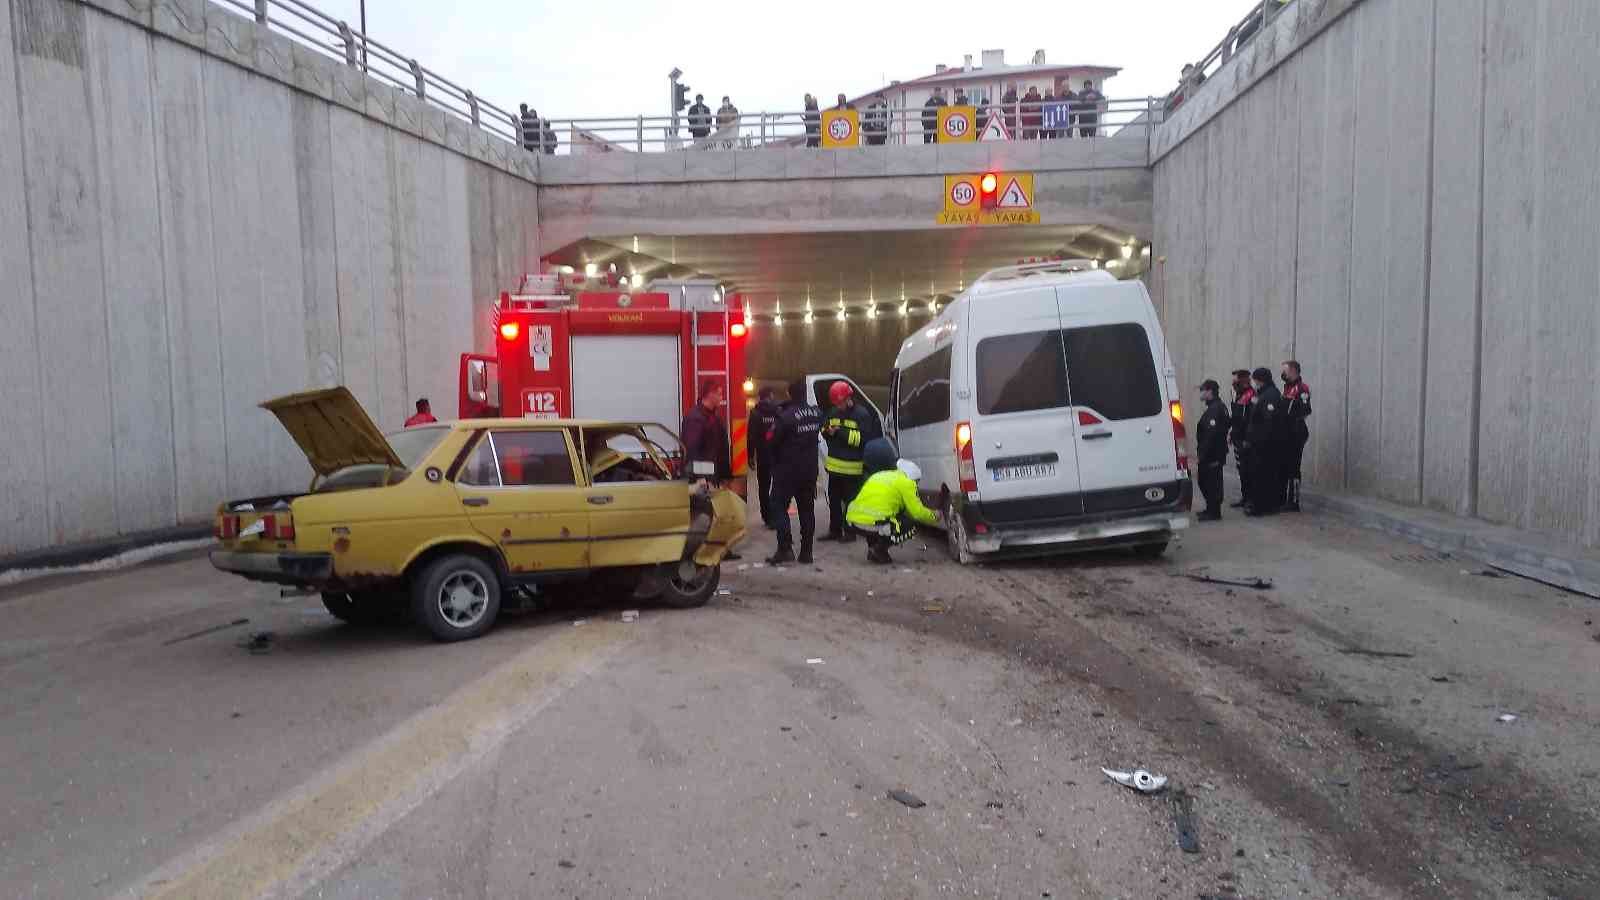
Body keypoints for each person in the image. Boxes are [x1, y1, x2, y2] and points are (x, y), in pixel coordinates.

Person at [846, 439, 938, 564]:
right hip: (872, 524)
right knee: (910, 523)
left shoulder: (879, 475)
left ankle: (872, 549)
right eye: (916, 482)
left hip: (853, 521)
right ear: (912, 478)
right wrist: (934, 516)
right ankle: (879, 549)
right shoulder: (906, 483)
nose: (916, 485)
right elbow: (917, 513)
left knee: (882, 516)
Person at [766, 379, 823, 565]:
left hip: (787, 471)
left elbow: (772, 441)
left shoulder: (785, 416)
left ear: (790, 394)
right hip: (809, 471)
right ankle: (807, 553)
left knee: (778, 506)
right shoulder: (816, 413)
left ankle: (785, 548)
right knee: (807, 510)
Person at [822, 380, 881, 542]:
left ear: (848, 398)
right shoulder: (833, 412)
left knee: (850, 503)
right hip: (834, 468)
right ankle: (834, 530)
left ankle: (850, 532)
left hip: (852, 469)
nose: (838, 406)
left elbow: (863, 440)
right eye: (836, 403)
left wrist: (840, 433)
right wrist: (828, 431)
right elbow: (824, 429)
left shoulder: (861, 415)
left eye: (840, 403)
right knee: (834, 501)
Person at [1243, 366, 1283, 516]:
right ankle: (1262, 505)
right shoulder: (1264, 394)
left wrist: (1257, 442)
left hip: (1265, 445)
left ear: (1260, 380)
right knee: (1260, 475)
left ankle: (1262, 507)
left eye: (1254, 380)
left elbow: (1268, 422)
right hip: (1260, 444)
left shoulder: (1270, 395)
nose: (1253, 383)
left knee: (1264, 476)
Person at [1194, 380, 1230, 520]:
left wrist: (1201, 455)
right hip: (1213, 452)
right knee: (1205, 481)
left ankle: (1214, 512)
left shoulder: (1216, 409)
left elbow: (1211, 435)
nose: (1201, 393)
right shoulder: (1216, 407)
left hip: (1212, 453)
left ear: (1209, 391)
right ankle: (1210, 509)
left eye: (1202, 390)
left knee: (1211, 482)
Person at [681, 380, 731, 482]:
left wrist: (724, 476)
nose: (722, 398)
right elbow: (692, 452)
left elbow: (720, 449)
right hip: (702, 481)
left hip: (713, 478)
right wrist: (702, 478)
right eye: (719, 394)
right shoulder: (695, 419)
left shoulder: (714, 418)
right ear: (710, 394)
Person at [747, 386, 781, 528]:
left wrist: (750, 456)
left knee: (764, 487)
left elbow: (751, 437)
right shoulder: (778, 411)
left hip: (763, 456)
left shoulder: (755, 413)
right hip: (778, 455)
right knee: (778, 486)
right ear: (771, 396)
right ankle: (777, 514)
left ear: (760, 398)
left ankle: (767, 517)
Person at [1280, 360, 1312, 511]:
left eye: (1285, 371)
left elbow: (1306, 410)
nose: (1283, 374)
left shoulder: (1301, 388)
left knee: (1294, 467)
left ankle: (1294, 501)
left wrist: (1292, 419)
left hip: (1296, 432)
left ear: (1293, 371)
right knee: (1286, 465)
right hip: (1286, 432)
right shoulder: (1287, 387)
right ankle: (1286, 498)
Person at [1229, 369, 1254, 508]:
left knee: (1248, 469)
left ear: (1243, 380)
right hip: (1238, 437)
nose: (1233, 382)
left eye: (1235, 379)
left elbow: (1251, 421)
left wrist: (1248, 439)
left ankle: (1250, 498)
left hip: (1246, 439)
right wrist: (1232, 433)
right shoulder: (1236, 394)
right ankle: (1245, 497)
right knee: (1241, 469)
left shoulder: (1251, 396)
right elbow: (1236, 418)